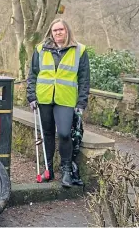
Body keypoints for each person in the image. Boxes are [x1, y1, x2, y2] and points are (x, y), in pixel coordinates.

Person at [26, 18, 90, 188]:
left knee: (64, 133)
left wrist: (81, 102)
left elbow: (84, 80)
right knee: (47, 134)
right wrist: (31, 96)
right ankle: (48, 170)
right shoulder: (40, 49)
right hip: (44, 98)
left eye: (61, 29)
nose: (58, 33)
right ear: (51, 32)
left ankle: (66, 171)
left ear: (67, 31)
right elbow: (32, 75)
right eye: (55, 30)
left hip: (66, 99)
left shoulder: (79, 50)